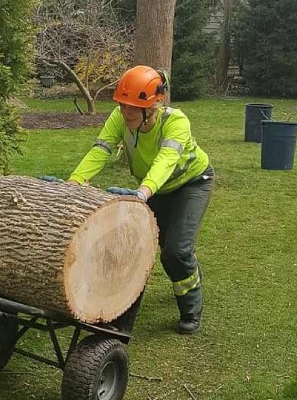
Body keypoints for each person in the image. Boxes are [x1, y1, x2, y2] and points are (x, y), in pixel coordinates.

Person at [67, 65, 214, 334]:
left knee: (175, 253)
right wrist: (74, 182)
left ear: (153, 105)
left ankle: (191, 312)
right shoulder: (119, 118)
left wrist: (143, 193)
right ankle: (121, 318)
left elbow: (166, 160)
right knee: (146, 248)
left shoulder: (176, 122)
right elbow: (101, 150)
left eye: (133, 107)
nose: (126, 112)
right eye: (122, 105)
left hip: (191, 184)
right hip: (153, 189)